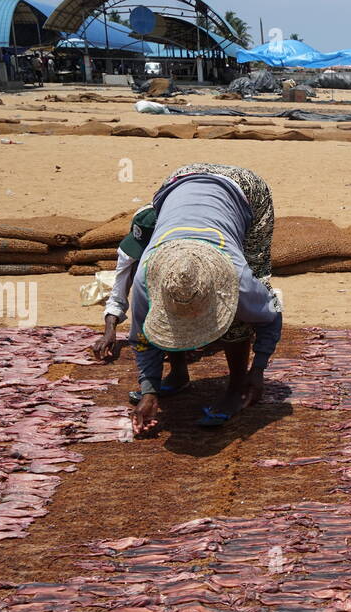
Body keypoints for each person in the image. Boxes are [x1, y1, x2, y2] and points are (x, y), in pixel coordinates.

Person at [89, 164, 283, 435]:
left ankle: (238, 386)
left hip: (245, 192)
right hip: (181, 181)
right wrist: (149, 391)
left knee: (242, 315)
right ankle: (178, 375)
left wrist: (258, 369)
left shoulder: (236, 277)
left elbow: (271, 313)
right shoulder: (148, 275)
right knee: (172, 313)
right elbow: (141, 337)